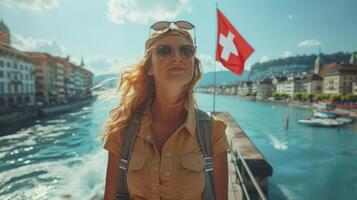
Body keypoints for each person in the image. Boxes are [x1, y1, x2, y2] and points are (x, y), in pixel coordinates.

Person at [102, 20, 229, 200]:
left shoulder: (212, 131)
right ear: (149, 68)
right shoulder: (123, 129)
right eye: (164, 51)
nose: (177, 57)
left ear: (193, 66)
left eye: (186, 51)